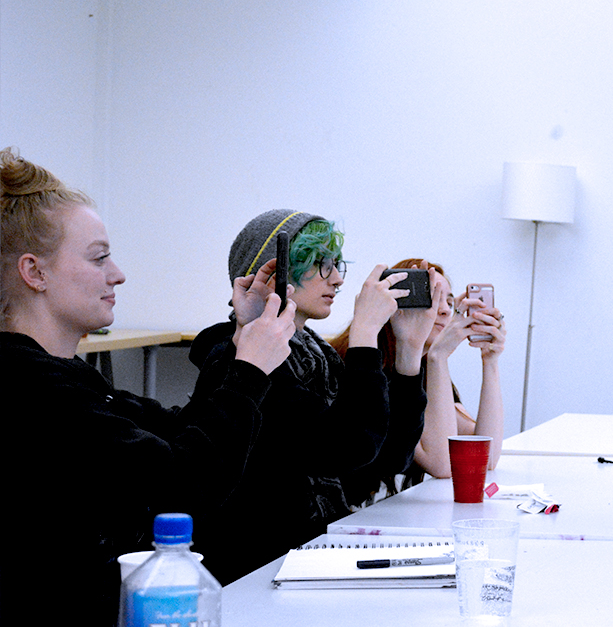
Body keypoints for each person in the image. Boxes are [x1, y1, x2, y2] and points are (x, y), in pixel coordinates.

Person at [0, 147, 296, 625]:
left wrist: (241, 340)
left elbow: (182, 436)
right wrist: (250, 371)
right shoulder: (29, 389)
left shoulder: (69, 377)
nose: (117, 274)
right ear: (35, 272)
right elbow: (183, 486)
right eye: (98, 259)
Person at [188, 210, 436, 584]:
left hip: (309, 556)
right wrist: (365, 333)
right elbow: (347, 448)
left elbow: (389, 458)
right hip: (255, 571)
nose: (336, 279)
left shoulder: (315, 356)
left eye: (336, 264)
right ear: (273, 272)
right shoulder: (241, 360)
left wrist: (409, 350)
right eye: (321, 264)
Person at [331, 258, 505, 493]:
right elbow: (443, 463)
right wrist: (439, 357)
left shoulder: (424, 369)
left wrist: (490, 361)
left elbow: (486, 456)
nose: (444, 310)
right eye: (432, 299)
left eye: (450, 302)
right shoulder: (368, 370)